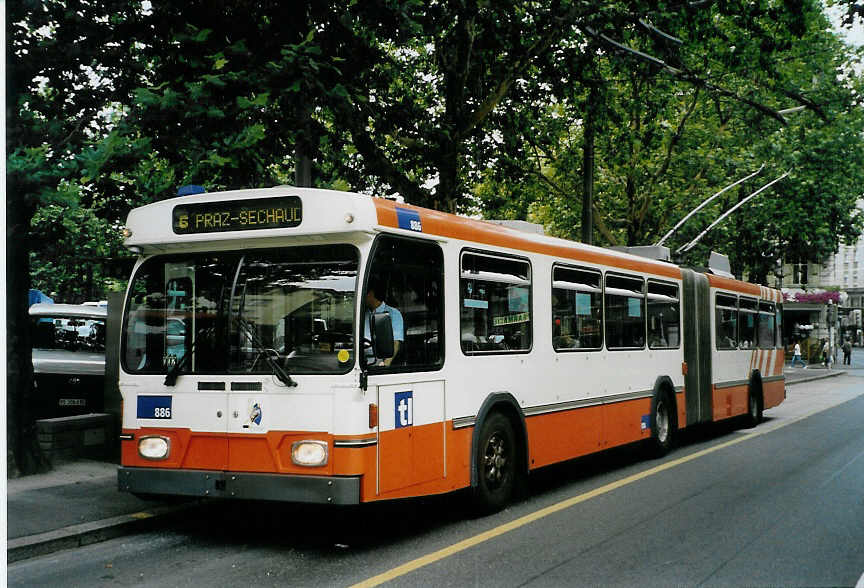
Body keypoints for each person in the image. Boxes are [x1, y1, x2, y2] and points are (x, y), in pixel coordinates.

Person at [364, 278, 404, 367]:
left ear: (370, 294)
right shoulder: (362, 314)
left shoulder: (394, 314)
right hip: (360, 360)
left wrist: (385, 364)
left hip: (380, 363)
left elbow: (396, 343)